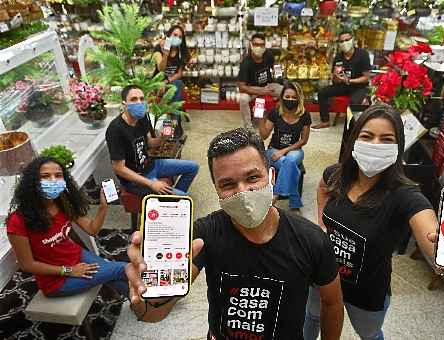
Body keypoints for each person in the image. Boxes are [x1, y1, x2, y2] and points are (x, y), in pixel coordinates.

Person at [303, 103, 444, 340]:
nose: (375, 144)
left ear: (398, 147)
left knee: (370, 335)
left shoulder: (405, 196)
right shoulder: (336, 174)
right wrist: (321, 222)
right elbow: (323, 187)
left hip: (366, 293)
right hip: (323, 277)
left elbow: (432, 239)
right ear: (354, 140)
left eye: (386, 139)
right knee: (312, 318)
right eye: (367, 136)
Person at [125, 128, 344, 340]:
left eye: (252, 178)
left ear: (271, 176)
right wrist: (148, 296)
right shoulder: (204, 236)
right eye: (228, 184)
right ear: (216, 190)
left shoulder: (311, 240)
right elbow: (154, 314)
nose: (242, 192)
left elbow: (332, 302)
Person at [5, 156, 128, 297]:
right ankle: (147, 305)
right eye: (45, 176)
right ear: (33, 182)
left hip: (76, 255)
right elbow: (27, 264)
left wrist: (103, 206)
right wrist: (69, 270)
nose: (53, 180)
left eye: (58, 175)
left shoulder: (62, 203)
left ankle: (142, 305)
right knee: (123, 268)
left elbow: (92, 229)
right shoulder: (18, 221)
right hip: (57, 281)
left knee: (116, 276)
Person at [105, 84, 199, 197]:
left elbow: (150, 143)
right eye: (134, 99)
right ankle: (174, 199)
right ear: (124, 104)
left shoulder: (142, 118)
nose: (139, 103)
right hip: (135, 179)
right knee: (184, 198)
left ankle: (170, 202)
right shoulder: (115, 129)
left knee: (193, 167)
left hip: (151, 165)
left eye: (141, 99)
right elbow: (119, 168)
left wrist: (163, 137)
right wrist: (151, 183)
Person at [259, 82, 311, 211]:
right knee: (291, 166)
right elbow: (264, 136)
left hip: (294, 149)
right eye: (287, 97)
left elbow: (304, 140)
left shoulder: (304, 115)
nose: (290, 100)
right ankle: (295, 202)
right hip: (273, 150)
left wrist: (284, 151)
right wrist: (260, 118)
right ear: (282, 97)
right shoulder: (275, 113)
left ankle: (275, 195)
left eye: (294, 97)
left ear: (299, 98)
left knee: (289, 160)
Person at [311, 30, 371, 130]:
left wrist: (350, 81)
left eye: (347, 40)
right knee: (322, 92)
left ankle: (352, 127)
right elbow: (335, 79)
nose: (344, 43)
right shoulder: (339, 57)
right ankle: (325, 121)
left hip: (359, 86)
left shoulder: (362, 54)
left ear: (353, 40)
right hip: (343, 85)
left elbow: (366, 78)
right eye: (341, 41)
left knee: (354, 101)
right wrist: (336, 77)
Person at [237, 33, 283, 129]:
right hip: (251, 89)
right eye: (256, 44)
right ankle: (248, 127)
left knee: (286, 91)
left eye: (261, 45)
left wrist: (279, 76)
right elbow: (241, 87)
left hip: (268, 85)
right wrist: (261, 91)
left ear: (265, 46)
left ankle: (281, 119)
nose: (259, 47)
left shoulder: (268, 54)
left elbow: (275, 65)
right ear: (251, 45)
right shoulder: (246, 62)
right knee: (243, 99)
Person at [153, 25, 189, 102]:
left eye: (180, 37)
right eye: (175, 35)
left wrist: (166, 81)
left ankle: (175, 111)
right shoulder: (159, 48)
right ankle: (176, 111)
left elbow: (179, 74)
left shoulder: (181, 52)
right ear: (169, 35)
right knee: (177, 86)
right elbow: (161, 69)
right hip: (157, 81)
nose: (177, 38)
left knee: (178, 84)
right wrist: (165, 54)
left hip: (171, 81)